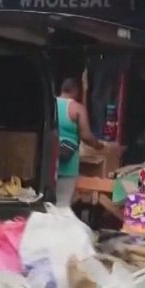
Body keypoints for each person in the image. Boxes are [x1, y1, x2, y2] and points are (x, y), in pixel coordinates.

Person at [56, 78, 103, 208]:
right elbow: (86, 136)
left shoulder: (51, 104)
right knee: (63, 203)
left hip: (49, 159)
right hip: (68, 164)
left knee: (48, 203)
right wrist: (99, 145)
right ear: (75, 91)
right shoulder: (77, 108)